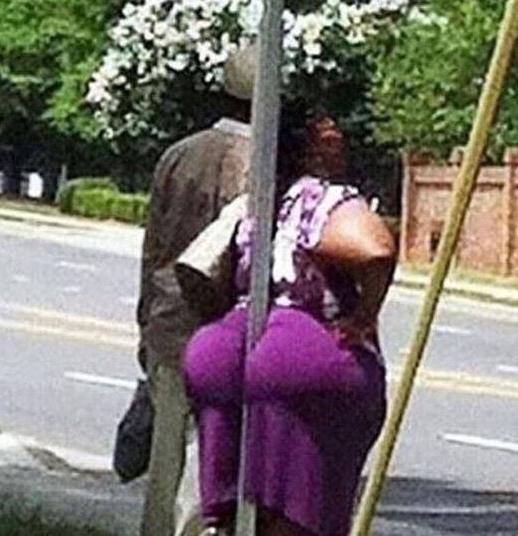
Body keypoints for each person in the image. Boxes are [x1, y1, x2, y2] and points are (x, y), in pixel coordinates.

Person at [183, 101, 397, 536]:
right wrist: (365, 314)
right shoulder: (322, 197)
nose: (341, 138)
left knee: (237, 517)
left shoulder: (259, 201)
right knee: (297, 517)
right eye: (330, 129)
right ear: (313, 145)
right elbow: (375, 250)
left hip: (226, 352)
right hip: (301, 355)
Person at [138, 45, 256, 536]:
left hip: (171, 328)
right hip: (232, 338)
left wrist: (146, 328)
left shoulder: (179, 154)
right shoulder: (264, 164)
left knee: (167, 471)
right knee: (212, 469)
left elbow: (155, 249)